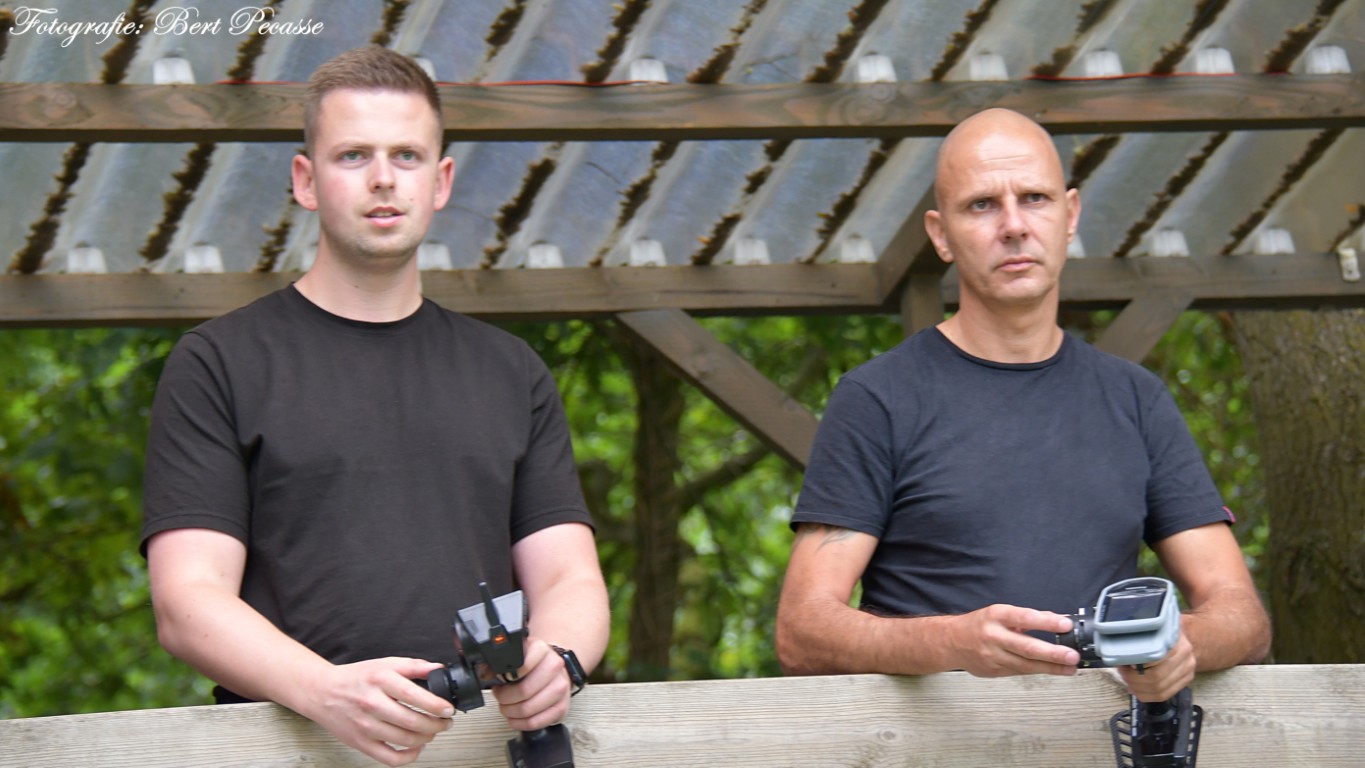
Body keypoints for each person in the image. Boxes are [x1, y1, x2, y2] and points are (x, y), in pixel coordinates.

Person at [141, 46, 609, 768]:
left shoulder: (510, 371)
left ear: (440, 180)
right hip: (294, 751)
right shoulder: (220, 362)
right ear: (306, 180)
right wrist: (323, 691)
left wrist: (560, 658)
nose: (384, 178)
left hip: (482, 751)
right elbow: (187, 600)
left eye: (406, 156)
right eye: (353, 155)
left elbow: (568, 578)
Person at [775, 108, 1270, 703]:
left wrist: (1178, 645)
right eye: (982, 205)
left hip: (1098, 740)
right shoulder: (878, 398)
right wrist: (950, 644)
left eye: (1034, 198)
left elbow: (1242, 615)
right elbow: (802, 632)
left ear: (1070, 215)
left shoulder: (1136, 399)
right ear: (940, 235)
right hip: (935, 743)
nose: (1013, 225)